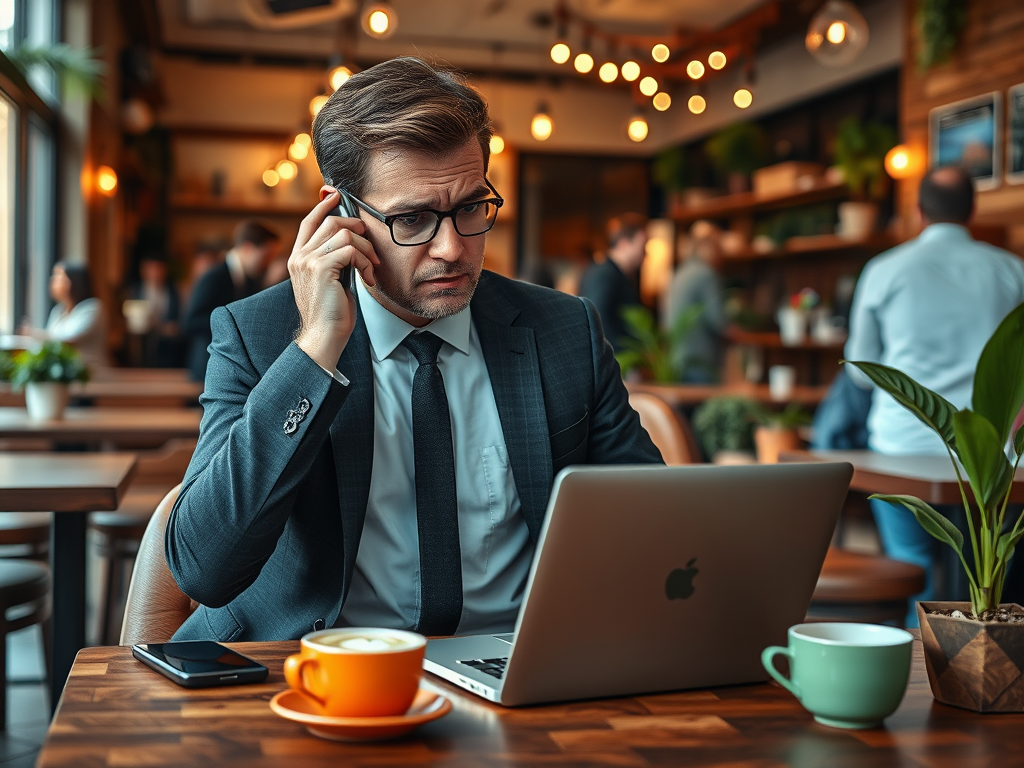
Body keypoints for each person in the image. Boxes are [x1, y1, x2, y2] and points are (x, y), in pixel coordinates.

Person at [164, 57, 662, 643]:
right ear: (340, 213)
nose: (452, 248)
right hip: (320, 670)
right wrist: (315, 350)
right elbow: (204, 569)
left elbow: (651, 527)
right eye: (413, 219)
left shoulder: (563, 329)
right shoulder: (260, 333)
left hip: (516, 669)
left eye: (471, 207)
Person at [845, 165, 1024, 624]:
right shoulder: (1012, 270)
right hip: (992, 457)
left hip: (902, 447)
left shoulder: (883, 270)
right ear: (973, 208)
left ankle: (924, 670)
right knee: (989, 577)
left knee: (914, 567)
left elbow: (863, 372)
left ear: (919, 211)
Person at [181, 221, 280, 381]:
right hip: (207, 369)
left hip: (232, 370)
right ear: (248, 248)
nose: (268, 263)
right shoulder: (214, 276)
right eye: (266, 256)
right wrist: (231, 323)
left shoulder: (251, 280)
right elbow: (190, 321)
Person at [577, 213, 648, 351]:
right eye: (642, 246)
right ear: (624, 244)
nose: (645, 253)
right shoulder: (604, 275)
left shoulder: (619, 275)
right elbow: (597, 323)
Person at [662, 233, 726, 383]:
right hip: (701, 358)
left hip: (677, 357)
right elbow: (717, 320)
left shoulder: (679, 272)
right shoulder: (706, 274)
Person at [20, 262, 108, 370]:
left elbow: (68, 340)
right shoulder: (58, 311)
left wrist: (34, 334)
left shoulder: (93, 308)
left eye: (59, 277)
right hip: (63, 374)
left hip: (90, 376)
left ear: (74, 282)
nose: (52, 281)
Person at [126, 253, 182, 367]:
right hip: (141, 349)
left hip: (168, 352)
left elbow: (179, 318)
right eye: (152, 268)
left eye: (159, 268)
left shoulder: (174, 291)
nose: (156, 272)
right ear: (144, 270)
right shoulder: (134, 292)